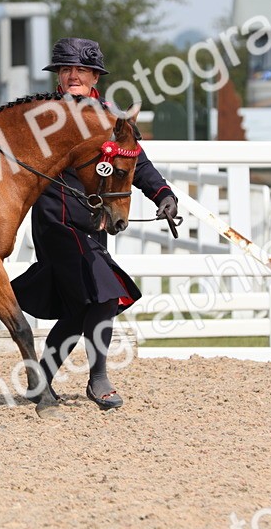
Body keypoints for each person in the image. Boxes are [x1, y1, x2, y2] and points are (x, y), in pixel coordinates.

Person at [11, 38, 179, 410]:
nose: (73, 75)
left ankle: (43, 380)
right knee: (104, 292)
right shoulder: (41, 116)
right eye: (67, 69)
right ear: (58, 75)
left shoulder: (110, 118)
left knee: (81, 306)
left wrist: (163, 194)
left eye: (81, 70)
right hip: (56, 220)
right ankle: (99, 378)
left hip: (96, 223)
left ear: (94, 77)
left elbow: (136, 161)